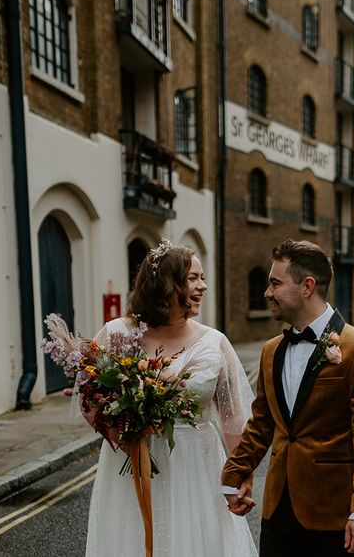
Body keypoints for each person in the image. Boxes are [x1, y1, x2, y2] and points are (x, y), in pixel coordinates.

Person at [85, 239, 258, 557]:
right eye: (193, 278)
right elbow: (90, 396)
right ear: (165, 284)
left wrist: (240, 473)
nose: (203, 286)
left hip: (196, 465)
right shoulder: (116, 335)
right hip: (132, 465)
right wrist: (121, 434)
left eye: (203, 277)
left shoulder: (214, 342)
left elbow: (233, 415)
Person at [221, 239, 354, 556]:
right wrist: (233, 476)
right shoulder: (271, 350)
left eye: (275, 283)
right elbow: (262, 423)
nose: (267, 293)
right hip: (277, 512)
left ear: (307, 286)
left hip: (332, 514)